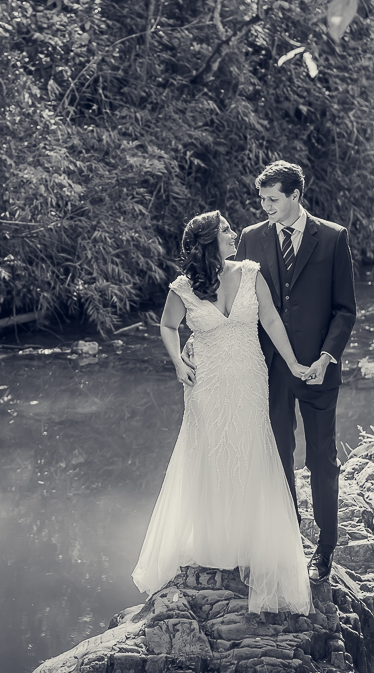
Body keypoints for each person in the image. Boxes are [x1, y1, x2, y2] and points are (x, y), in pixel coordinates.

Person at [131, 210, 313, 615]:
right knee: (211, 456)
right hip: (206, 386)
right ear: (209, 241)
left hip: (249, 379)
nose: (235, 234)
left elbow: (270, 319)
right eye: (227, 230)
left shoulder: (250, 272)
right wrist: (178, 362)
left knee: (251, 453)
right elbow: (166, 325)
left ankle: (249, 541)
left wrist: (296, 364)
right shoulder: (182, 287)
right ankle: (215, 541)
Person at [234, 161, 356, 583]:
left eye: (272, 199)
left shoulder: (334, 238)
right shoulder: (250, 239)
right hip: (270, 370)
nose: (265, 207)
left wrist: (327, 357)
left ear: (295, 196)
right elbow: (240, 303)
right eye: (262, 199)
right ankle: (287, 542)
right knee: (278, 456)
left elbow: (345, 310)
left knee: (322, 460)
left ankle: (325, 548)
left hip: (320, 370)